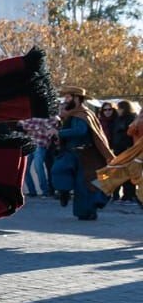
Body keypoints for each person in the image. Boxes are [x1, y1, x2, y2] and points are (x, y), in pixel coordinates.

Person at [51, 86, 114, 220]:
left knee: (85, 185)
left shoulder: (83, 114)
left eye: (68, 97)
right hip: (71, 153)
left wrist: (59, 133)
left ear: (76, 98)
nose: (66, 100)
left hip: (86, 156)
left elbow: (81, 131)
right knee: (59, 170)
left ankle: (87, 212)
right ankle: (64, 192)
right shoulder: (73, 113)